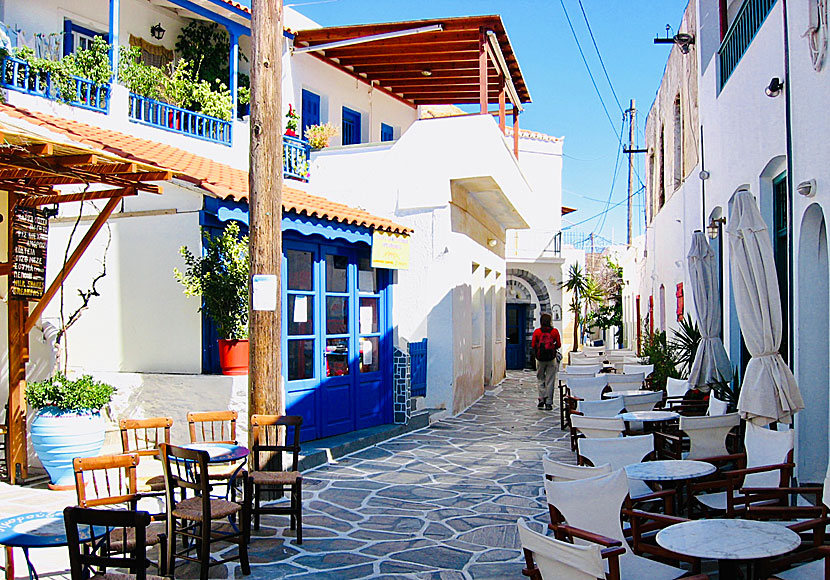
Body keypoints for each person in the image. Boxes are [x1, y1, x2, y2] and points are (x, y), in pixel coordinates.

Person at [531, 312, 562, 411]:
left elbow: (532, 345)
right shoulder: (554, 332)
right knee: (550, 380)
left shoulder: (537, 332)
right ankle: (549, 402)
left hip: (540, 359)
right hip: (551, 359)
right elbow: (559, 344)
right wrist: (552, 347)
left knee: (540, 379)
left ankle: (541, 398)